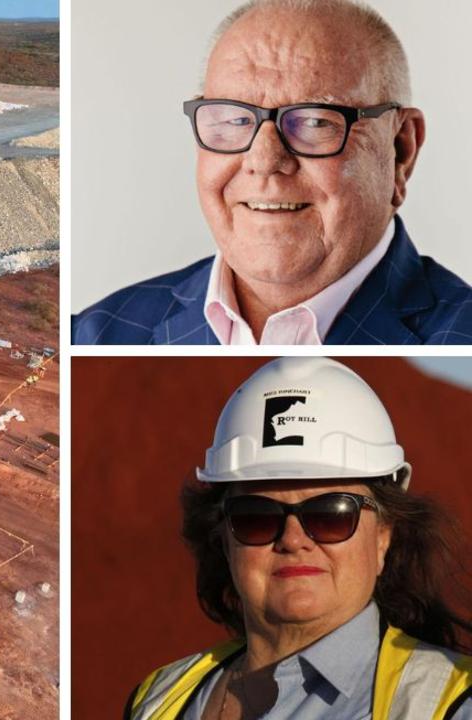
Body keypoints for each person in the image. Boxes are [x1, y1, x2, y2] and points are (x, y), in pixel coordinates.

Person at [74, 0, 472, 345]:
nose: (263, 159)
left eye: (316, 121)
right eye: (234, 119)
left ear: (401, 149)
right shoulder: (96, 335)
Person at [125, 357, 472, 719]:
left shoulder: (454, 703)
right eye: (256, 517)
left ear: (383, 536)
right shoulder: (158, 700)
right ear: (224, 540)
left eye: (331, 515)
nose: (293, 539)